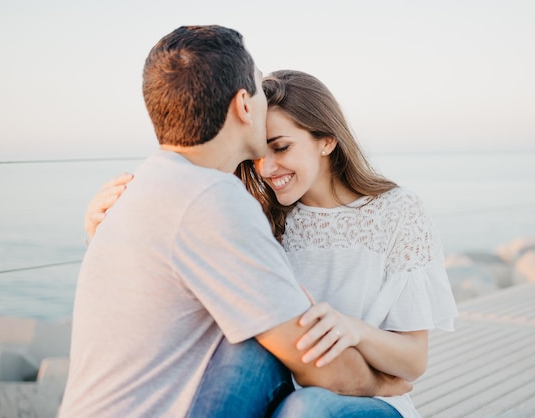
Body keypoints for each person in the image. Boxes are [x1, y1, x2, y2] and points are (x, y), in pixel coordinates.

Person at [61, 25, 407, 418]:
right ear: (244, 105)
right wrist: (385, 384)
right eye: (260, 89)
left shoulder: (143, 189)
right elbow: (317, 362)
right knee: (271, 346)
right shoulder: (210, 198)